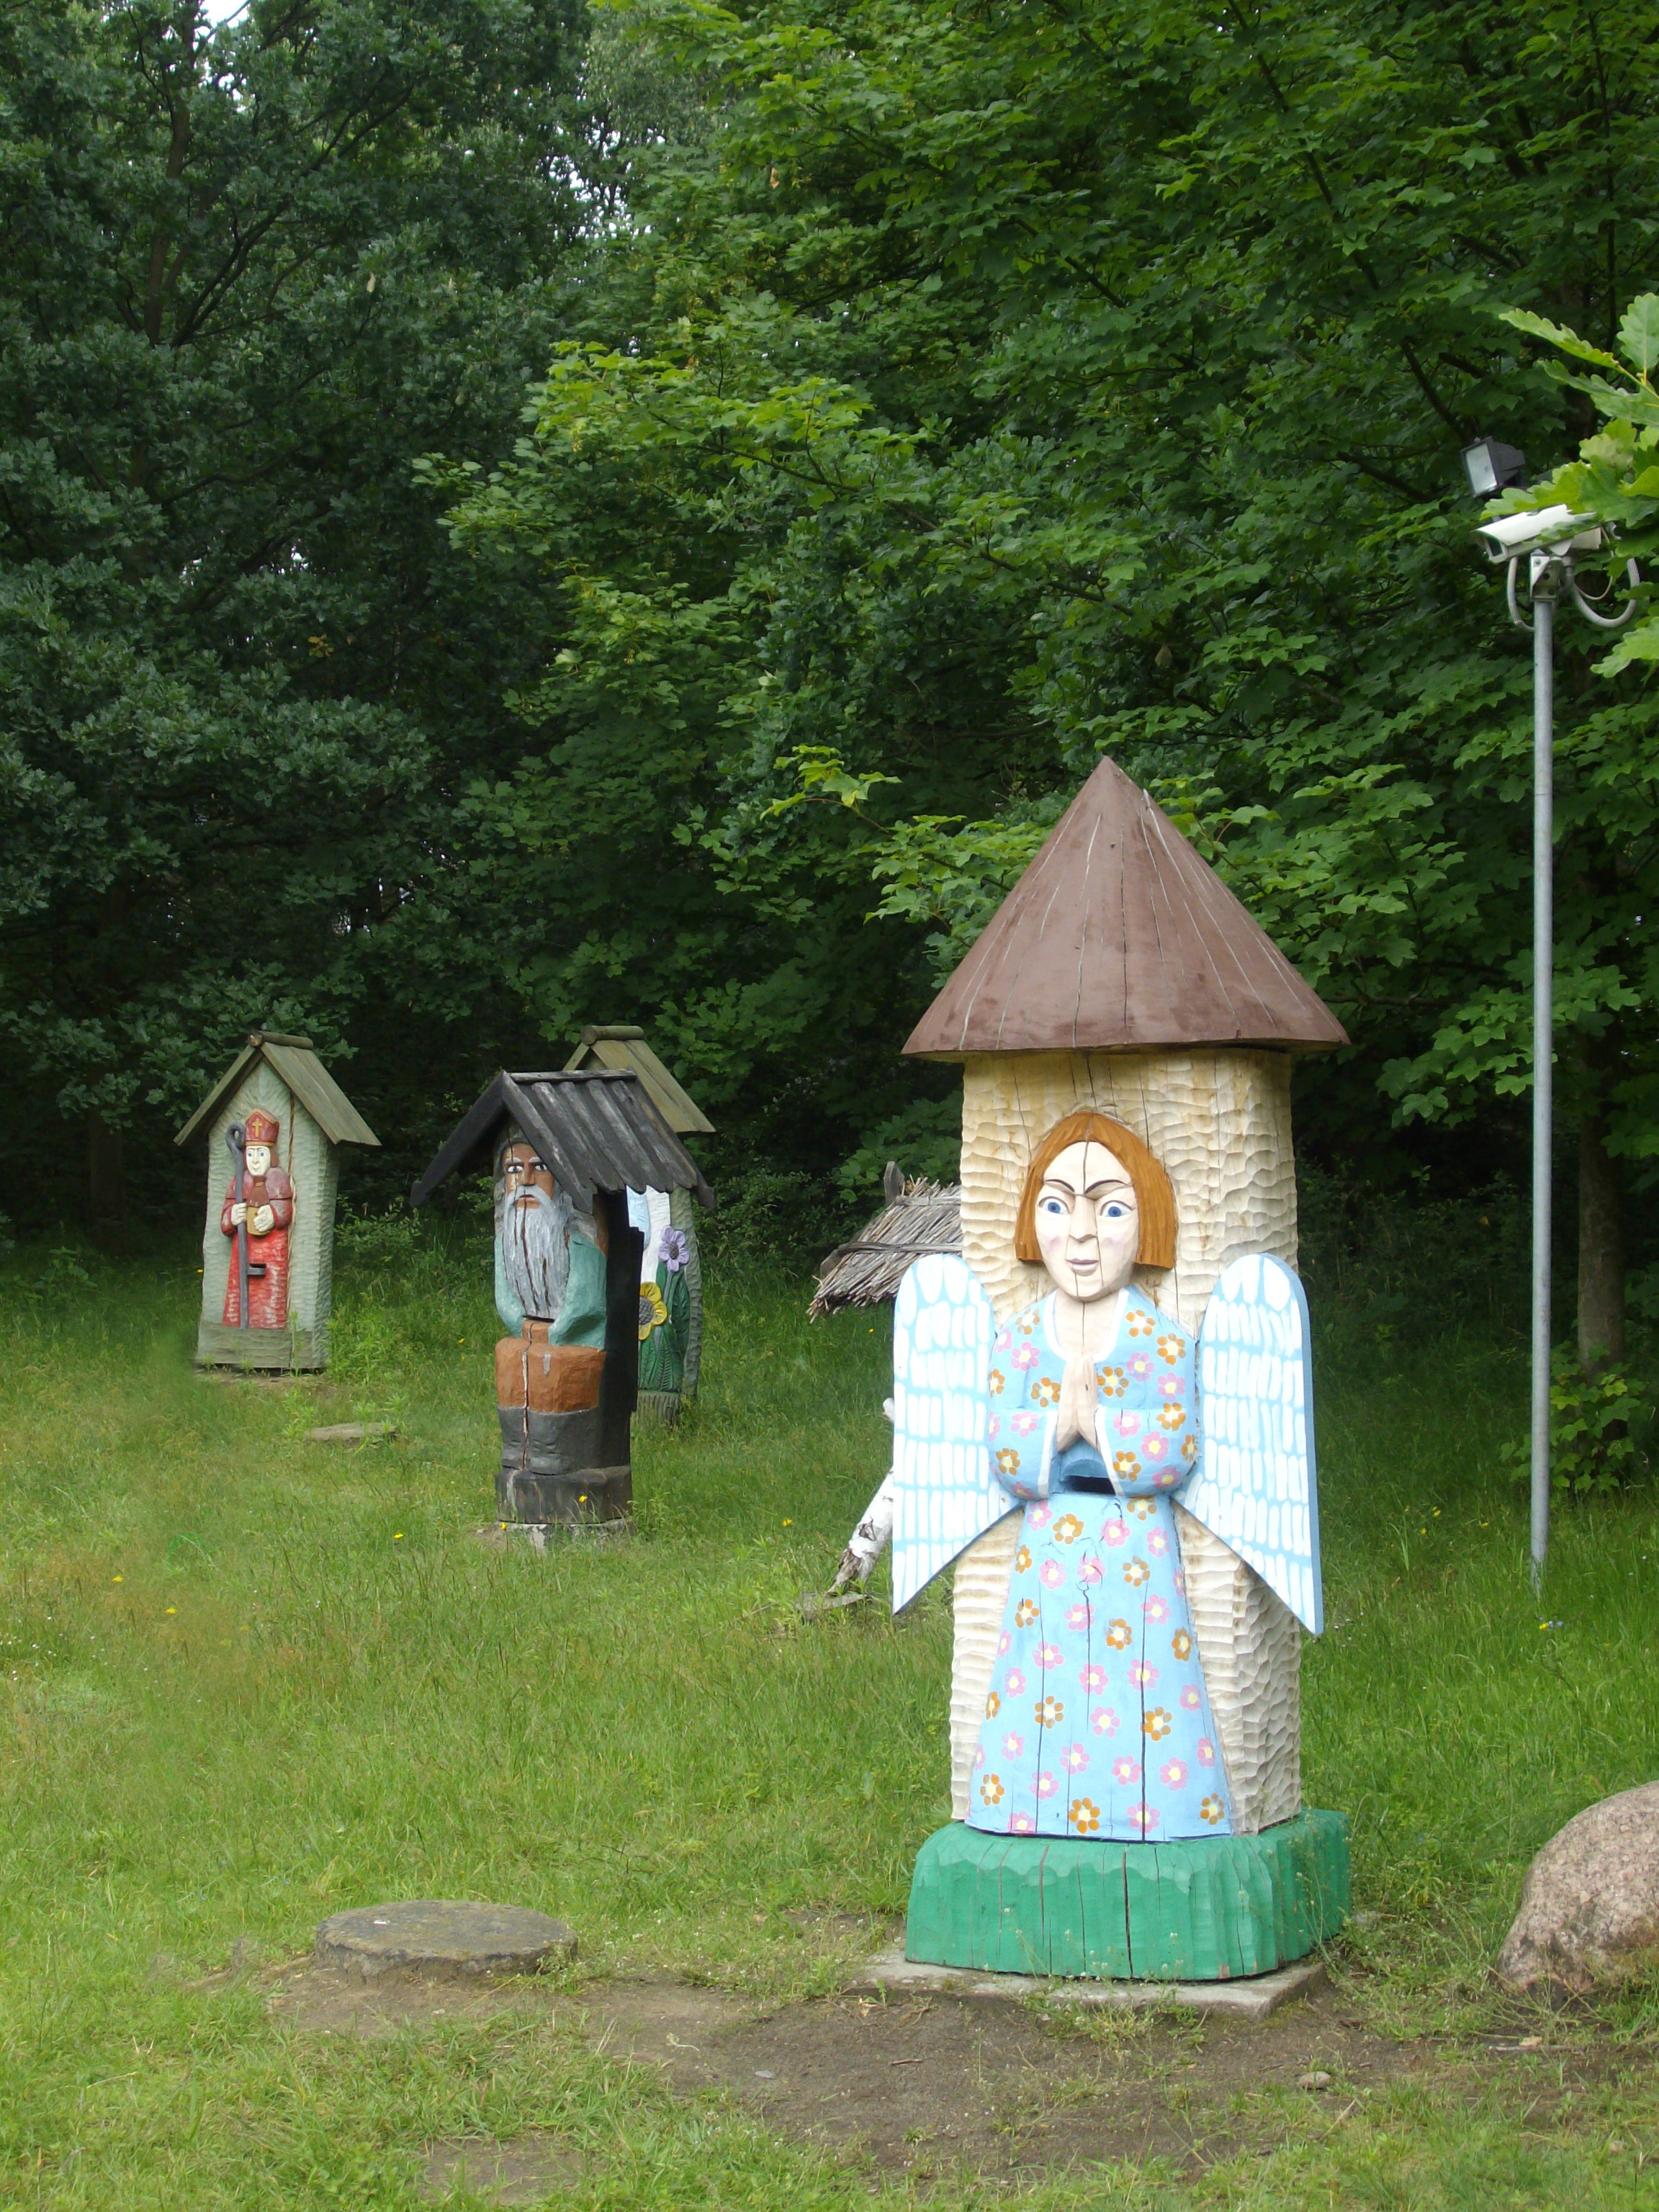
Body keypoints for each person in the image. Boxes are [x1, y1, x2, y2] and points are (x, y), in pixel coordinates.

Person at [966, 1111, 1231, 1842]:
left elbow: (1175, 1443)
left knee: (1142, 1688)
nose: (1080, 1235)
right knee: (1041, 1682)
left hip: (1137, 1546)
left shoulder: (1158, 1338)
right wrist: (1058, 1428)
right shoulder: (1021, 1339)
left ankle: (1158, 1810)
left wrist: (1102, 1426)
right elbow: (1002, 1440)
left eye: (1111, 1210)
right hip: (1049, 1544)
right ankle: (1025, 1805)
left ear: (1148, 1219)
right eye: (1057, 1206)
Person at [220, 1109, 294, 1326]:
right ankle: (236, 1329)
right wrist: (232, 1216)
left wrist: (273, 1215)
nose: (254, 1161)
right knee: (239, 1291)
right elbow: (225, 1218)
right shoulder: (240, 1180)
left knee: (269, 1295)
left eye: (261, 1154)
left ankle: (269, 1328)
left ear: (271, 1155)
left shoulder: (278, 1179)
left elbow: (285, 1208)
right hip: (244, 1248)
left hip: (271, 1250)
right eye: (250, 1154)